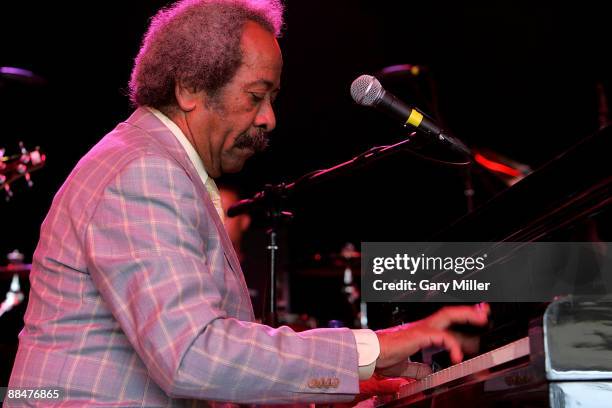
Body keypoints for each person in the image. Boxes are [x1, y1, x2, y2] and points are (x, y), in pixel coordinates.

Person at [7, 0, 489, 406]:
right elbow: (192, 354)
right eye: (257, 96)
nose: (270, 118)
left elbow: (212, 370)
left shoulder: (153, 163)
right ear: (190, 88)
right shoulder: (143, 170)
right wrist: (375, 345)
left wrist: (340, 385)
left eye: (273, 98)